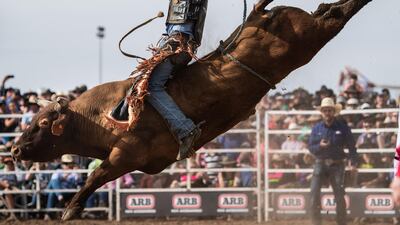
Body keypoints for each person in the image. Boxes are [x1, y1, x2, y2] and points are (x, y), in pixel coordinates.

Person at [109, 0, 208, 161]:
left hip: (176, 45)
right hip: (178, 45)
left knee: (151, 87)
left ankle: (185, 129)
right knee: (145, 82)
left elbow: (179, 33)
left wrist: (165, 48)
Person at [308, 97, 358, 225]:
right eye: (325, 110)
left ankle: (341, 223)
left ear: (333, 111)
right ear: (322, 112)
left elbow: (352, 145)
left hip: (337, 164)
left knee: (339, 195)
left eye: (329, 110)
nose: (327, 113)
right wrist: (320, 146)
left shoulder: (342, 127)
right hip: (320, 162)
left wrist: (353, 161)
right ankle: (316, 222)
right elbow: (311, 147)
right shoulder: (317, 128)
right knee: (314, 192)